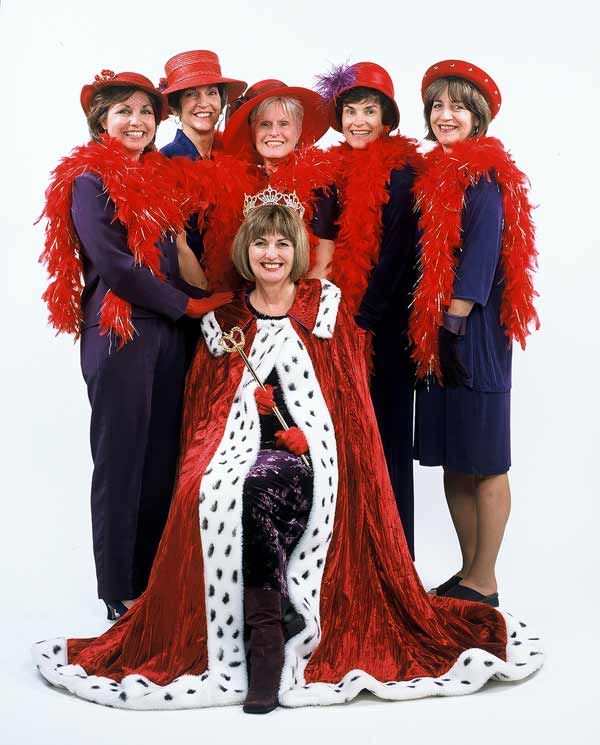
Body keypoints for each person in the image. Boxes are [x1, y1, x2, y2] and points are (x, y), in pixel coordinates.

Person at [33, 198, 543, 713]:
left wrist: (323, 451)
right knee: (217, 487)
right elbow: (205, 412)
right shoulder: (226, 317)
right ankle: (276, 609)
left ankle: (266, 640)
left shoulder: (324, 305)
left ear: (296, 250)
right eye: (260, 243)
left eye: (281, 243)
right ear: (245, 250)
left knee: (258, 486)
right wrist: (209, 463)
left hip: (308, 459)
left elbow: (350, 406)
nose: (271, 253)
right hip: (235, 451)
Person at [38, 69, 232, 620]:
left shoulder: (160, 177)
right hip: (121, 330)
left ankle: (152, 579)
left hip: (168, 333)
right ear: (102, 120)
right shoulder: (88, 180)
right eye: (123, 111)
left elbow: (175, 251)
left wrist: (202, 298)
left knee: (161, 459)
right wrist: (185, 304)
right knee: (121, 459)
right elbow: (117, 266)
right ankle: (117, 592)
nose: (136, 121)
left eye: (146, 112)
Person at [409, 60, 539, 606]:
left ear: (478, 117)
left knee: (485, 457)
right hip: (436, 333)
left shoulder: (484, 177)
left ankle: (484, 578)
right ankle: (468, 575)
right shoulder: (435, 173)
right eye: (437, 106)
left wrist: (452, 325)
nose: (445, 115)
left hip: (471, 332)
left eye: (457, 106)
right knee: (454, 455)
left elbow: (481, 259)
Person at [314, 61, 422, 556]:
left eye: (369, 111)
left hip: (386, 330)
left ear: (387, 120)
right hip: (343, 325)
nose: (358, 120)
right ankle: (351, 561)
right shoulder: (333, 172)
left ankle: (398, 561)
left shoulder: (401, 174)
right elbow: (324, 244)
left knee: (388, 444)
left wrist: (360, 322)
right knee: (346, 445)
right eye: (350, 110)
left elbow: (400, 258)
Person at [194, 79, 336, 291]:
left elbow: (323, 266)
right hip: (240, 307)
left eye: (284, 124)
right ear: (252, 132)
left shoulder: (320, 184)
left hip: (299, 306)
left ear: (298, 132)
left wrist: (291, 316)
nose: (274, 133)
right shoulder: (232, 184)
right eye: (265, 124)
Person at [158, 50, 246, 361]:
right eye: (192, 95)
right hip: (193, 311)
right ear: (177, 105)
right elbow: (177, 247)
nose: (204, 103)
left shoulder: (229, 162)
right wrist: (211, 305)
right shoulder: (166, 162)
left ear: (222, 101)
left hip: (231, 309)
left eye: (212, 93)